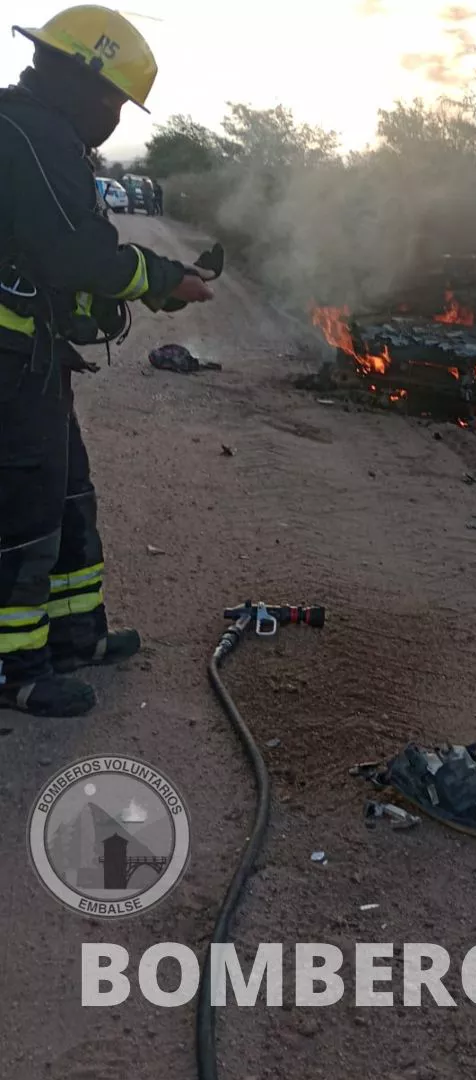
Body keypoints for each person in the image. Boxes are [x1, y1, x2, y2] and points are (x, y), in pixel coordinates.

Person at [0, 5, 214, 718]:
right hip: (7, 360)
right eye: (116, 100)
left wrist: (134, 287)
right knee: (24, 505)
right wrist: (158, 279)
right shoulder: (24, 133)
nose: (117, 117)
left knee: (66, 492)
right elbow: (75, 253)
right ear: (84, 82)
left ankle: (74, 636)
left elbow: (58, 257)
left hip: (33, 356)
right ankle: (15, 668)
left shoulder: (42, 132)